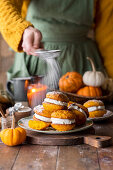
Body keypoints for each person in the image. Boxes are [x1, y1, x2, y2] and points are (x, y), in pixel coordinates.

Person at [0, 0, 113, 81]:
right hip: (35, 58)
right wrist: (21, 29)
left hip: (82, 62)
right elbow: (4, 3)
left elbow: (109, 35)